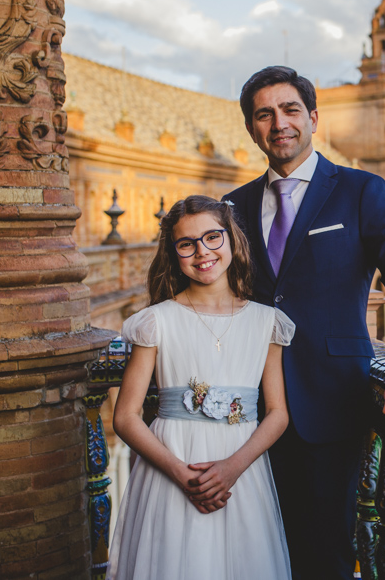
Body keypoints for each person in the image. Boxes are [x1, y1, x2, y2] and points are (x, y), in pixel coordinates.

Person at [223, 66, 385, 580]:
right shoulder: (233, 207)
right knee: (254, 551)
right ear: (251, 129)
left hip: (329, 405)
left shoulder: (359, 190)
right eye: (264, 114)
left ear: (313, 119)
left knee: (325, 555)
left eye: (289, 110)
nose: (278, 123)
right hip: (245, 410)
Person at [109, 196, 292, 579]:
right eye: (186, 243)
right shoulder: (156, 322)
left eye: (212, 237)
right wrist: (180, 472)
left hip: (240, 470)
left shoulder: (267, 322)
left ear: (232, 240)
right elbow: (125, 417)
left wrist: (232, 468)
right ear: (174, 252)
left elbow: (277, 414)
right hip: (172, 467)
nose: (202, 251)